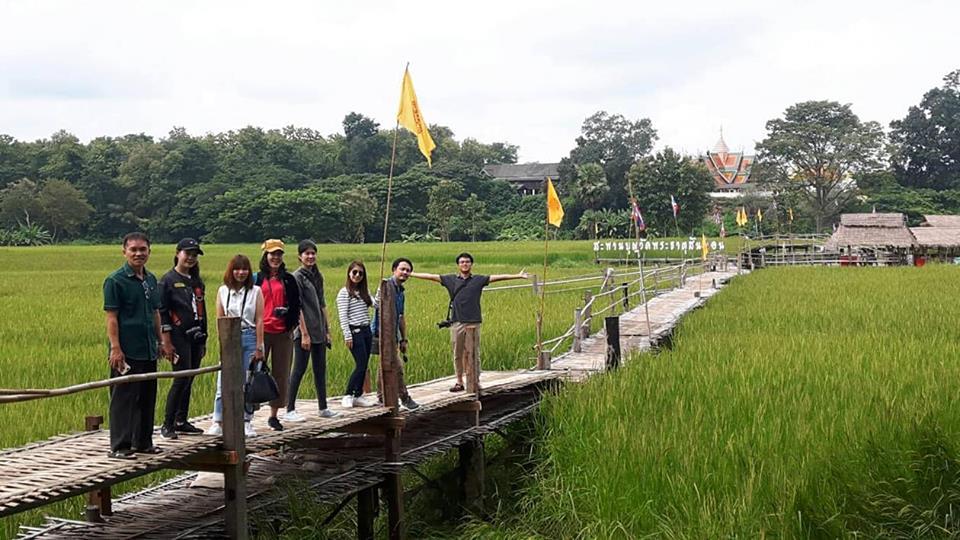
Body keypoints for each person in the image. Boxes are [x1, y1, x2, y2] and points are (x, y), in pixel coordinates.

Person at [411, 252, 529, 392]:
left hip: (473, 322)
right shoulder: (451, 280)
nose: (465, 264)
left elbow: (497, 277)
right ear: (458, 265)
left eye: (467, 262)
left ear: (471, 264)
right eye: (462, 262)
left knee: (473, 353)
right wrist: (411, 274)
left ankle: (474, 381)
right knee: (458, 353)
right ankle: (459, 382)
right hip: (457, 322)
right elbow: (431, 276)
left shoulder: (478, 280)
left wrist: (517, 275)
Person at [103, 232, 174, 459]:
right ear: (124, 252)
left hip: (147, 348)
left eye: (142, 249)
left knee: (147, 395)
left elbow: (155, 313)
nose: (138, 253)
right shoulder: (115, 281)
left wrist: (161, 342)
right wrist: (115, 348)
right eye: (133, 249)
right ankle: (121, 446)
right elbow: (111, 317)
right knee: (123, 399)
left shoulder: (151, 280)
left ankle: (143, 442)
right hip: (126, 349)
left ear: (149, 252)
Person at [206, 254, 264, 438]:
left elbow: (260, 319)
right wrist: (222, 343)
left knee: (247, 380)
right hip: (230, 337)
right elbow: (220, 318)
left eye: (244, 269)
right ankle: (218, 421)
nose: (241, 273)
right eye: (237, 269)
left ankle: (247, 421)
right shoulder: (223, 291)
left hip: (249, 336)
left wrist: (259, 345)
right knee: (223, 378)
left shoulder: (256, 291)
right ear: (231, 271)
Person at [158, 238, 208, 440]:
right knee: (180, 378)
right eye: (187, 253)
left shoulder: (196, 281)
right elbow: (162, 313)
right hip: (178, 336)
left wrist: (204, 340)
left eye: (194, 255)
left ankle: (181, 420)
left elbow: (202, 311)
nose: (191, 258)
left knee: (190, 378)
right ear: (177, 253)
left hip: (196, 335)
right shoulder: (168, 281)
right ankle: (167, 424)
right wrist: (166, 342)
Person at [285, 239, 337, 421]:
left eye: (313, 253)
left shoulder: (317, 275)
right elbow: (297, 307)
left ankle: (323, 407)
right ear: (300, 256)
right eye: (307, 253)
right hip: (303, 331)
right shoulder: (296, 277)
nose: (310, 256)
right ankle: (289, 409)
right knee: (298, 369)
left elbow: (322, 304)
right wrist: (304, 334)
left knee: (320, 369)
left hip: (318, 330)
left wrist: (327, 330)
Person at [254, 239, 301, 431]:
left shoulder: (288, 279)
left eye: (279, 254)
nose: (275, 258)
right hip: (261, 331)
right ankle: (249, 412)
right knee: (255, 372)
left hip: (283, 332)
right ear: (265, 256)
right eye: (272, 254)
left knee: (281, 373)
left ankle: (274, 415)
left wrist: (291, 322)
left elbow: (296, 304)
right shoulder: (257, 278)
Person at [372, 257, 419, 410]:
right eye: (402, 269)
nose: (405, 272)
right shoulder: (386, 286)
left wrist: (403, 339)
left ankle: (382, 397)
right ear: (394, 270)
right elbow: (377, 305)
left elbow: (400, 317)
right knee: (395, 366)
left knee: (385, 366)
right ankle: (403, 397)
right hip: (382, 334)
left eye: (408, 270)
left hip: (393, 335)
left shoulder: (401, 292)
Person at [337, 260, 378, 408]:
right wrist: (347, 335)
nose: (357, 275)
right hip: (355, 331)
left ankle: (358, 395)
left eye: (360, 273)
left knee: (365, 364)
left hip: (367, 331)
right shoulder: (344, 293)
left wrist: (380, 290)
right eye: (354, 272)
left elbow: (376, 304)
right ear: (349, 273)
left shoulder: (364, 292)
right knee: (360, 364)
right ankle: (348, 394)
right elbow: (343, 316)